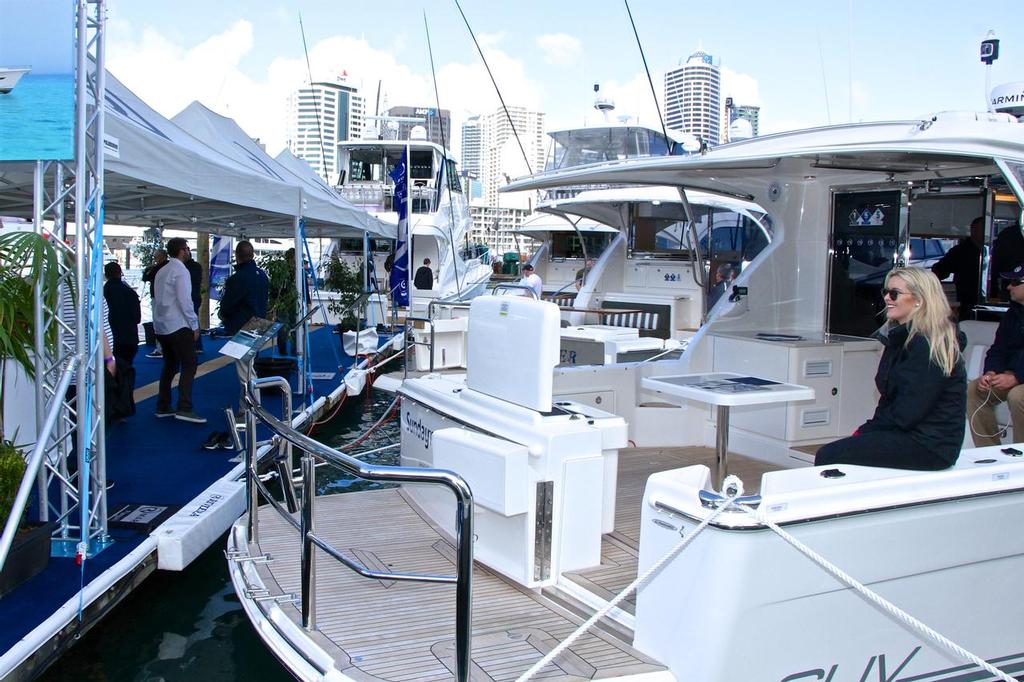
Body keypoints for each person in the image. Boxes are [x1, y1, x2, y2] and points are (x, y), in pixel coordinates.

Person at [815, 267, 965, 470]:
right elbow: (889, 399)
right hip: (908, 433)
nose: (887, 298)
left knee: (829, 456)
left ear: (919, 299)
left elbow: (909, 410)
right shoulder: (900, 337)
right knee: (841, 450)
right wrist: (867, 431)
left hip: (931, 444)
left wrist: (867, 432)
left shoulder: (928, 344)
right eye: (885, 291)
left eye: (894, 293)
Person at [966, 263, 1024, 446]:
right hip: (1012, 375)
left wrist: (1017, 377)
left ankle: (1020, 459)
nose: (1009, 287)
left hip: (1018, 379)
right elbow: (998, 349)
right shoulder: (1013, 314)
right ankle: (988, 454)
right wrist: (991, 372)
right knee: (975, 389)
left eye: (1015, 282)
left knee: (1018, 396)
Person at [153, 237, 205, 424]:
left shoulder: (162, 270)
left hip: (161, 325)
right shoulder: (180, 271)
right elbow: (185, 300)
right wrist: (194, 324)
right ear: (182, 251)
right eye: (187, 249)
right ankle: (184, 407)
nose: (189, 251)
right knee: (190, 363)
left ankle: (163, 405)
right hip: (178, 325)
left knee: (170, 365)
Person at [931, 217, 983, 321]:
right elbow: (939, 270)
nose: (983, 233)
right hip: (966, 302)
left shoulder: (991, 252)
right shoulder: (960, 251)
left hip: (984, 301)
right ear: (973, 230)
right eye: (980, 229)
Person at [219, 240, 270, 336]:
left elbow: (228, 304)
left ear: (237, 255)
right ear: (253, 255)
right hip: (260, 321)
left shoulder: (237, 278)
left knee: (237, 350)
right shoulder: (263, 275)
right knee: (253, 350)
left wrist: (224, 315)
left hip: (241, 325)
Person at [103, 261, 141, 367]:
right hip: (130, 338)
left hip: (112, 339)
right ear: (120, 273)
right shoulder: (131, 292)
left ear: (106, 275)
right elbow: (137, 318)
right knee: (127, 370)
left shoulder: (103, 293)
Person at [142, 248, 168, 358]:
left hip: (159, 297)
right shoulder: (162, 267)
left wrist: (149, 268)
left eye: (156, 257)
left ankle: (161, 348)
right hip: (162, 297)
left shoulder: (159, 268)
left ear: (162, 256)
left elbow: (146, 277)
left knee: (159, 323)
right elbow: (145, 277)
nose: (155, 259)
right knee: (163, 322)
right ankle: (164, 348)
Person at [990, 223, 1024, 299]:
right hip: (1012, 283)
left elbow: (995, 267)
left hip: (1011, 285)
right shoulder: (1007, 234)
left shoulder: (1007, 234)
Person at [185, 246, 204, 352]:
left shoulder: (194, 267)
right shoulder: (194, 266)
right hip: (194, 296)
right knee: (193, 320)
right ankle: (196, 345)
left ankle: (196, 345)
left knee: (193, 320)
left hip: (192, 297)